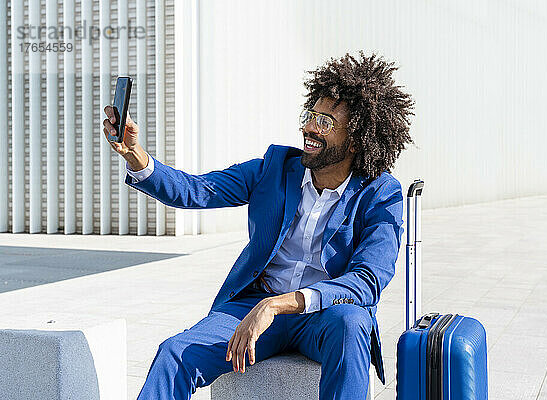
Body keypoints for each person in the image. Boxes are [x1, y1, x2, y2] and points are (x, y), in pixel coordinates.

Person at [103, 51, 415, 400]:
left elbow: (366, 282)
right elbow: (196, 190)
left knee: (352, 323)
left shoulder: (380, 193)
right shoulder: (275, 168)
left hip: (323, 315)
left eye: (325, 122)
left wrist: (277, 305)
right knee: (174, 353)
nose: (309, 128)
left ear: (355, 140)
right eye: (310, 115)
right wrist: (136, 156)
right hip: (253, 304)